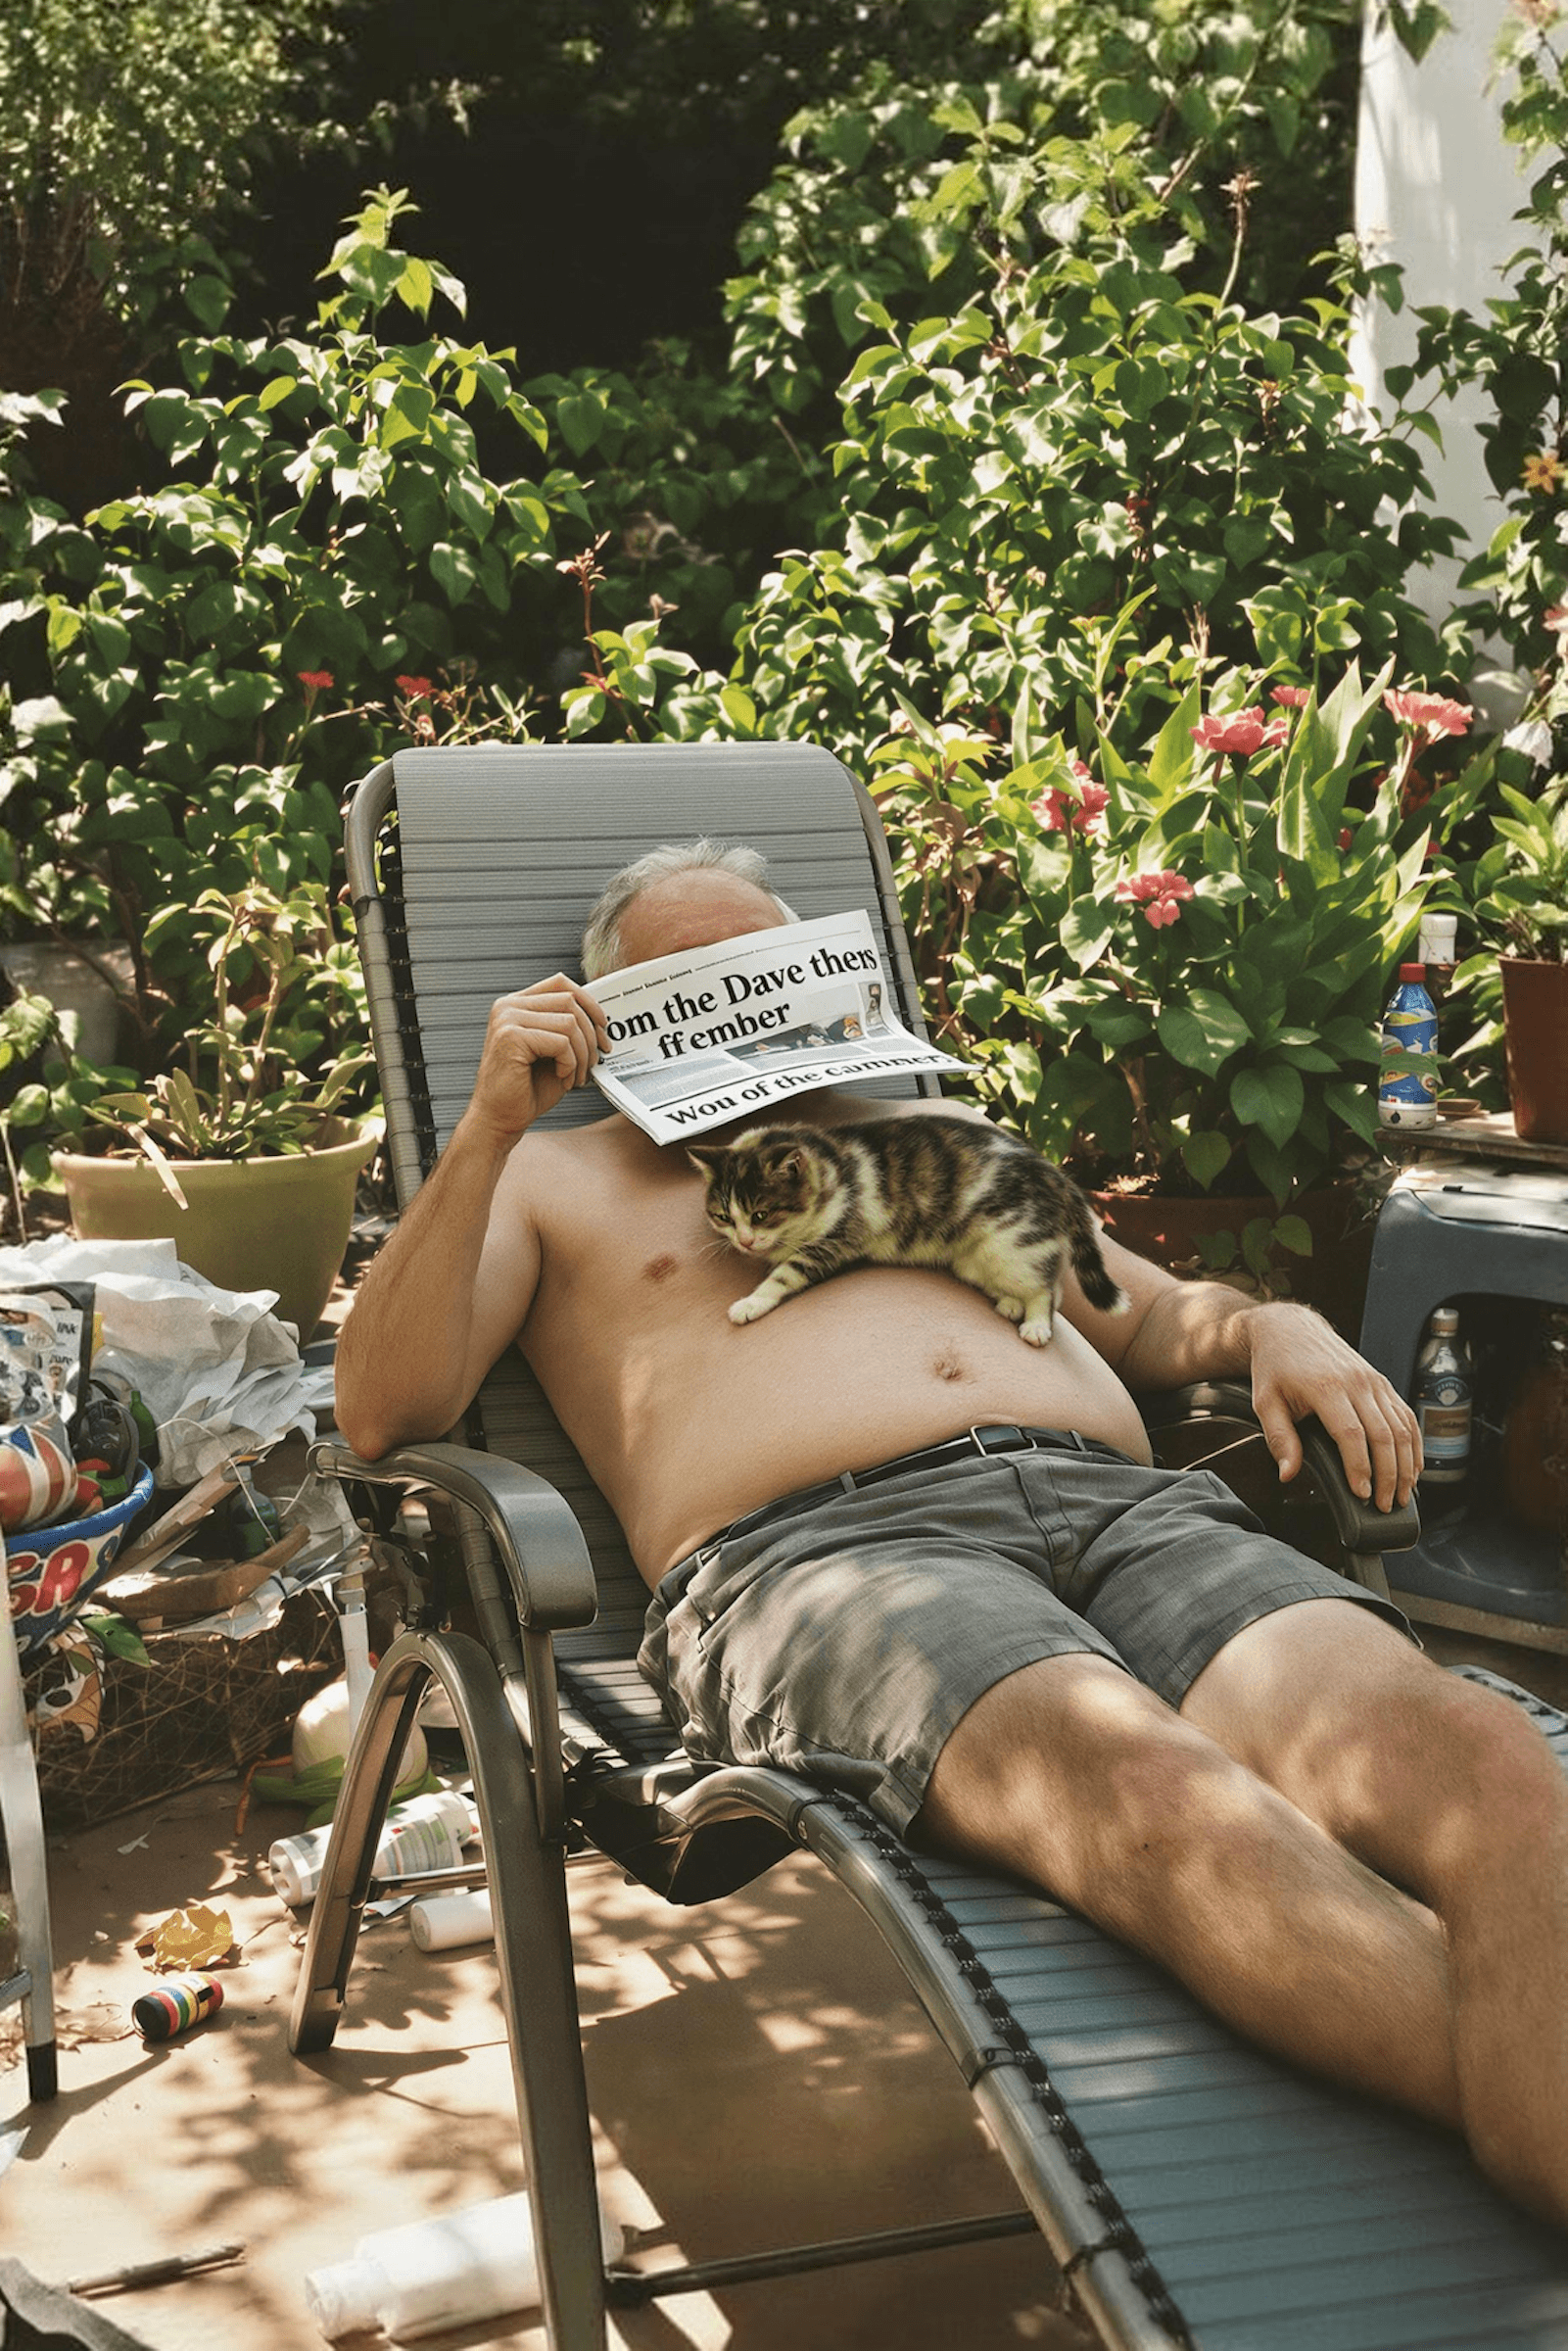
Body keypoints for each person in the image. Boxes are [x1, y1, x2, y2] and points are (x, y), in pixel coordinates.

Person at [336, 839, 1568, 2230]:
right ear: (611, 1020)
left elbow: (1152, 1314)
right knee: (1154, 1795)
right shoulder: (558, 1182)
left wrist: (1273, 1321)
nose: (735, 1007)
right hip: (829, 1562)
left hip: (1129, 1513)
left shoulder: (945, 1138)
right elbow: (384, 1408)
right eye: (685, 985)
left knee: (1489, 1756)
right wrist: (491, 1129)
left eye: (765, 971)